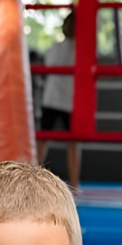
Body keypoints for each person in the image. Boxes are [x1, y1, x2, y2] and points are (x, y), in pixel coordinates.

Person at [36, 13, 81, 190]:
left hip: (62, 99)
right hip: (58, 99)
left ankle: (75, 184)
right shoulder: (68, 49)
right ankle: (74, 184)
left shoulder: (78, 49)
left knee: (69, 142)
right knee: (51, 140)